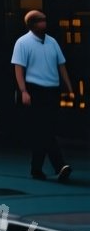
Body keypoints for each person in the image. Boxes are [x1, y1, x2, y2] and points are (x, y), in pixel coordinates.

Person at [13, 10, 74, 181]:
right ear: (32, 24)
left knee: (44, 130)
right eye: (40, 20)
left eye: (44, 20)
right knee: (45, 129)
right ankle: (60, 165)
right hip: (35, 90)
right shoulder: (22, 43)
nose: (44, 23)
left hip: (52, 90)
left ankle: (36, 169)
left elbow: (61, 66)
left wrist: (69, 87)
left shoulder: (52, 42)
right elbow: (19, 68)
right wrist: (24, 91)